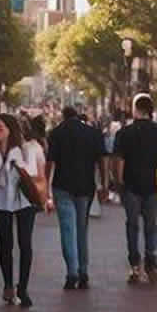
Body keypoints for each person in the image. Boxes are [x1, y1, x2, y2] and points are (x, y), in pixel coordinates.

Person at [0, 114, 45, 308]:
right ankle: (8, 285)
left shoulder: (25, 149)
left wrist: (19, 166)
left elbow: (34, 175)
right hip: (0, 201)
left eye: (1, 127)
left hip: (23, 201)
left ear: (10, 129)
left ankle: (23, 288)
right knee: (5, 244)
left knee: (25, 243)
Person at [111, 93, 157, 288]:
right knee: (151, 225)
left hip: (131, 186)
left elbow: (119, 161)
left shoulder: (124, 133)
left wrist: (118, 182)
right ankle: (151, 261)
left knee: (132, 225)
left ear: (135, 109)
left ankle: (135, 265)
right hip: (154, 186)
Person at [46, 106, 102, 291]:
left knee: (68, 230)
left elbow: (50, 162)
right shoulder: (92, 133)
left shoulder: (56, 134)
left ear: (63, 116)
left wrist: (46, 186)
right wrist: (104, 184)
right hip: (85, 186)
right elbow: (101, 160)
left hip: (62, 185)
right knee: (81, 229)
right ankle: (83, 270)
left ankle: (72, 271)